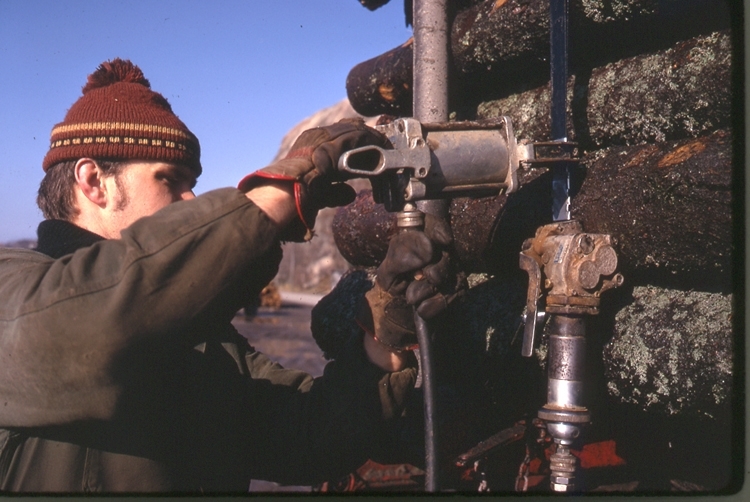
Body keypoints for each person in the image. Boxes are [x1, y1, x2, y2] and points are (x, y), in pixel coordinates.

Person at [0, 58, 457, 492]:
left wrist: (383, 338)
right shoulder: (12, 289)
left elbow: (306, 436)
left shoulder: (207, 342)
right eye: (169, 178)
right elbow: (96, 321)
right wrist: (282, 190)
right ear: (93, 182)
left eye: (192, 184)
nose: (190, 199)